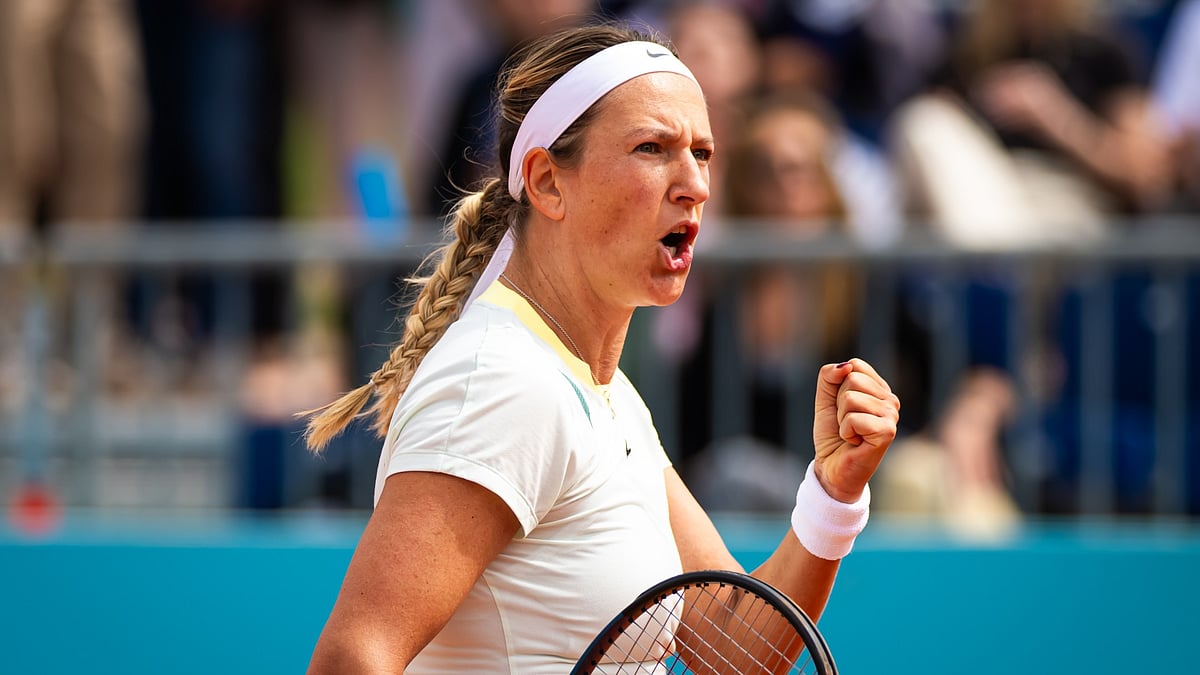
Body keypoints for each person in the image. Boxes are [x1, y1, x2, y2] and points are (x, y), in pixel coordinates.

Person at [301, 23, 900, 672]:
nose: (694, 183)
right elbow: (353, 657)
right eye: (652, 147)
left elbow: (736, 647)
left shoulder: (601, 390)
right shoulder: (503, 381)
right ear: (548, 182)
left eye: (702, 153)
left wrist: (832, 494)